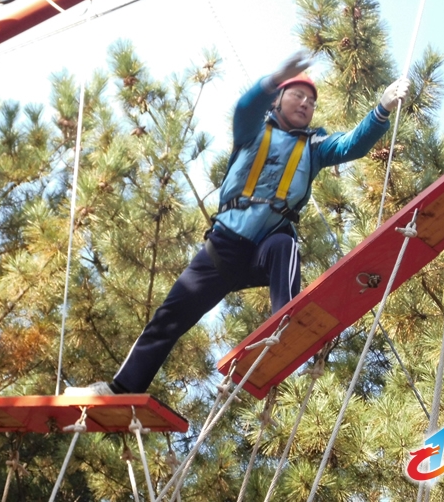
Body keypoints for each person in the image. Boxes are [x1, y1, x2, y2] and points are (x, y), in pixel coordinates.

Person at [65, 52, 409, 396]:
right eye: (297, 95)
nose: (305, 104)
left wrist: (381, 110)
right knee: (167, 319)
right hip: (223, 248)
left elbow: (353, 145)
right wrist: (275, 77)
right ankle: (123, 387)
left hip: (266, 248)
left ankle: (284, 327)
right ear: (278, 99)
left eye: (311, 102)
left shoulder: (315, 146)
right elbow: (245, 108)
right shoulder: (252, 132)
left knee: (285, 245)